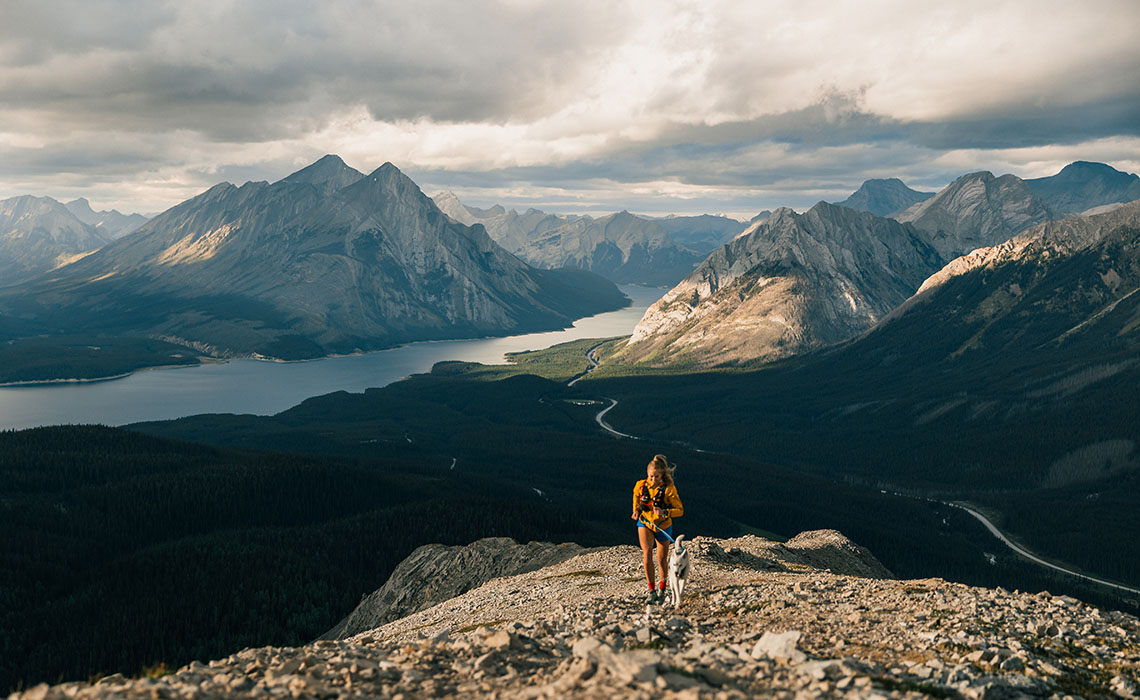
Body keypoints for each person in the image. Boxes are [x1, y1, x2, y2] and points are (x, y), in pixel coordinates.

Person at [631, 453, 684, 604]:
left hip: (663, 526)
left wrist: (665, 512)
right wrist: (635, 510)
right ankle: (651, 591)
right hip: (645, 522)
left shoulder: (668, 490)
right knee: (647, 552)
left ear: (662, 475)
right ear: (647, 474)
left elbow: (680, 510)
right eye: (651, 476)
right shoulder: (640, 485)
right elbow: (636, 497)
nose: (653, 480)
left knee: (661, 560)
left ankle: (662, 587)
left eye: (657, 476)